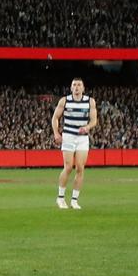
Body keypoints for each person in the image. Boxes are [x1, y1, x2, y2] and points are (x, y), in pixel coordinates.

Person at [51, 78, 97, 210]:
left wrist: (87, 127)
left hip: (82, 138)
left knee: (80, 168)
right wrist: (56, 133)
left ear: (83, 88)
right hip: (69, 136)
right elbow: (55, 117)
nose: (76, 87)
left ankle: (74, 200)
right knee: (68, 167)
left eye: (79, 85)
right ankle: (60, 198)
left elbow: (94, 120)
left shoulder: (90, 101)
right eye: (74, 85)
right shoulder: (64, 100)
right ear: (71, 88)